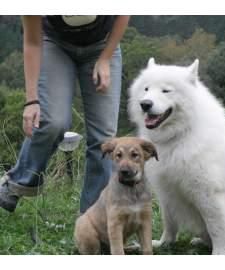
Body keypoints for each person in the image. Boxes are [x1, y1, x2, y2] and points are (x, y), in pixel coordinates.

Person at [0, 15, 130, 213]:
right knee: (52, 121)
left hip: (102, 44)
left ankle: (92, 223)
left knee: (104, 138)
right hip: (54, 43)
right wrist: (32, 100)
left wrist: (105, 58)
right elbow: (33, 42)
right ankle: (16, 182)